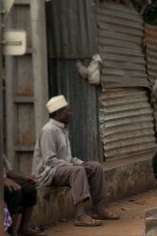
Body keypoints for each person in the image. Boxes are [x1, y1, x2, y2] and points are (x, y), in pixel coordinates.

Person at [33, 95, 119, 227]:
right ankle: (80, 215)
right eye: (67, 111)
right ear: (58, 113)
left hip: (62, 168)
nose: (70, 114)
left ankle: (98, 208)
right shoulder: (49, 130)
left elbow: (68, 158)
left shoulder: (62, 129)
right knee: (77, 171)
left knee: (95, 167)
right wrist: (75, 166)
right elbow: (49, 160)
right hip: (48, 172)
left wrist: (81, 163)